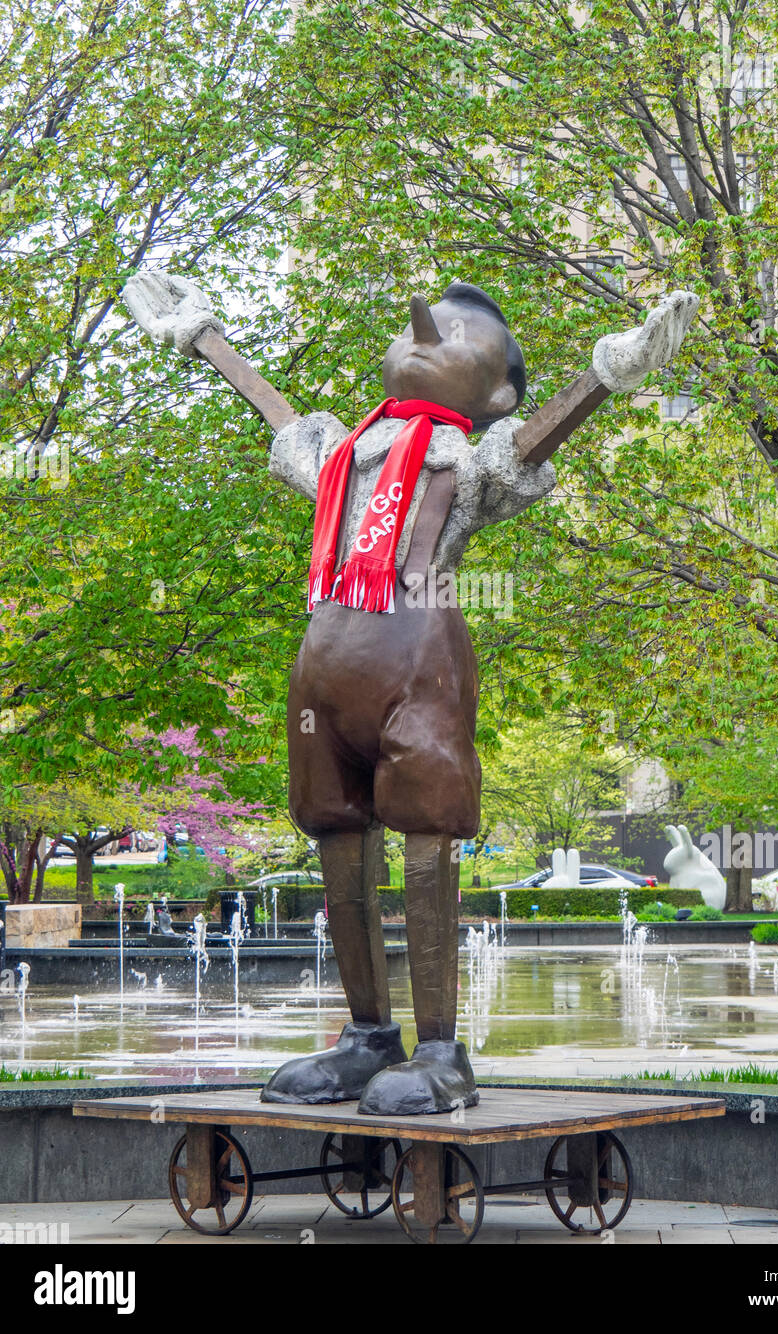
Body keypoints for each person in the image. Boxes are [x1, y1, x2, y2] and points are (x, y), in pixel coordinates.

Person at [122, 271, 698, 1113]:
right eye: (419, 334)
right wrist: (202, 335)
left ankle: (438, 1052)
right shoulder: (343, 452)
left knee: (427, 838)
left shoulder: (469, 462)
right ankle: (365, 1038)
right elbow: (278, 413)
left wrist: (606, 377)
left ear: (495, 391)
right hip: (324, 669)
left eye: (457, 341)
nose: (424, 337)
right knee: (335, 836)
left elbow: (535, 442)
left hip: (418, 668)